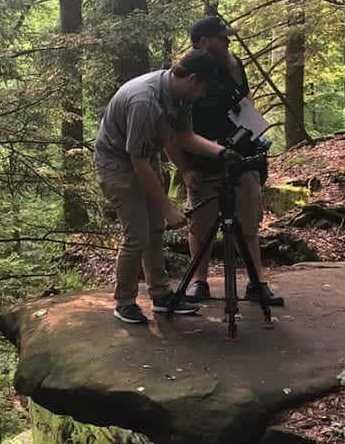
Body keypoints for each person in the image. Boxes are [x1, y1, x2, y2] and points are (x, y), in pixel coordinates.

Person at [95, 49, 237, 324]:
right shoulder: (145, 101)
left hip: (141, 159)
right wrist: (168, 209)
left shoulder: (178, 97)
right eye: (205, 87)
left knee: (154, 230)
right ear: (193, 79)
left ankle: (160, 295)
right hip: (117, 165)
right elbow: (137, 161)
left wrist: (221, 152)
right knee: (137, 234)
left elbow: (184, 137)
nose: (205, 94)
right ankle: (124, 302)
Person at [172, 16, 284, 307]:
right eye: (223, 38)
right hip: (203, 162)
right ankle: (200, 282)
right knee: (201, 225)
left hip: (242, 156)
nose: (229, 41)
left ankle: (257, 282)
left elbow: (244, 98)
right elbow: (175, 130)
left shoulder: (233, 65)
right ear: (205, 41)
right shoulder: (189, 72)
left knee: (248, 221)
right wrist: (185, 169)